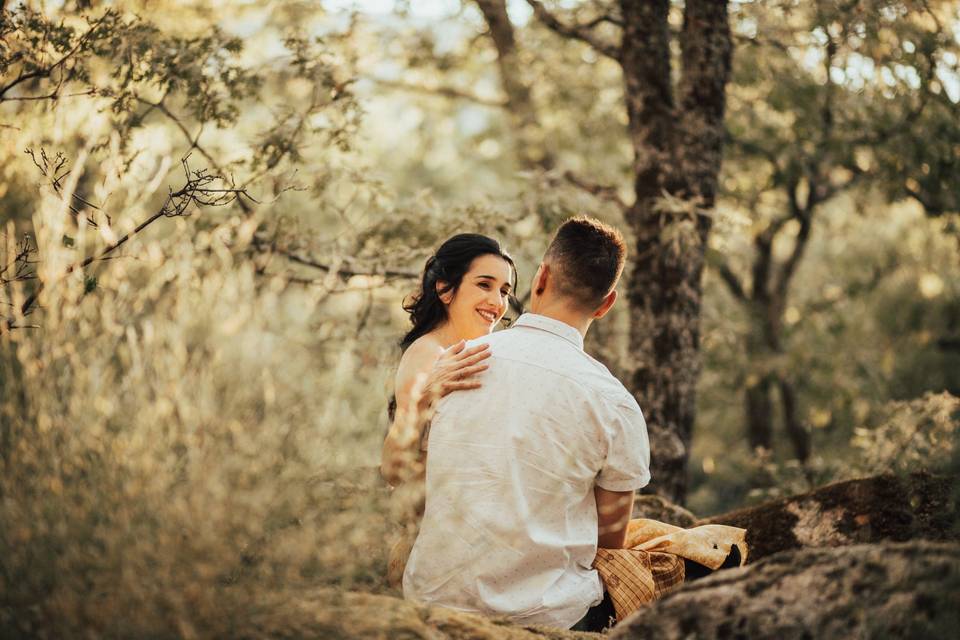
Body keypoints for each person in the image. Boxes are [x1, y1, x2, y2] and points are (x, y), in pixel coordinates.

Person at [401, 216, 746, 631]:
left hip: (432, 596)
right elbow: (609, 544)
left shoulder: (455, 363)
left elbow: (413, 481)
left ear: (540, 278)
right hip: (545, 614)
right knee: (701, 561)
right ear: (606, 304)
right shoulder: (614, 402)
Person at [380, 233, 517, 584]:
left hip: (483, 539)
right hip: (434, 550)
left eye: (504, 291)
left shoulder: (484, 351)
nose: (496, 301)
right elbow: (394, 471)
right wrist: (424, 395)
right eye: (484, 285)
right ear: (445, 289)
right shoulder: (428, 354)